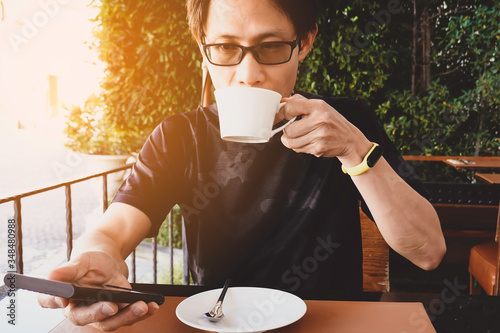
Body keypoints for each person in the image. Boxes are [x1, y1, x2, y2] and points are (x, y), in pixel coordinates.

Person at [39, 0, 446, 331]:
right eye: (226, 48)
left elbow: (428, 251)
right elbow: (115, 230)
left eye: (270, 47)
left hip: (328, 322)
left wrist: (357, 151)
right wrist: (96, 256)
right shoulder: (179, 138)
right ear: (203, 48)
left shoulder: (347, 126)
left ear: (304, 42)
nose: (248, 75)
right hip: (214, 324)